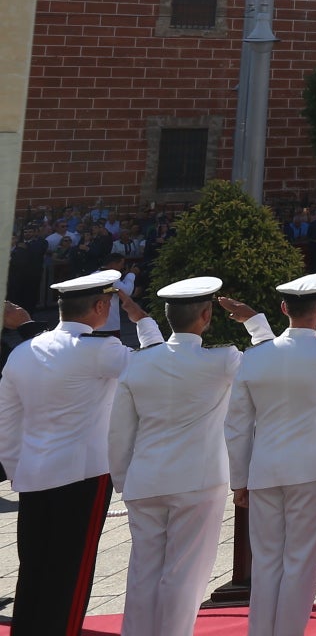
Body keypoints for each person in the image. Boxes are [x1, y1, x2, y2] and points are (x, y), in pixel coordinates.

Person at [0, 269, 163, 634]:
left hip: (33, 476)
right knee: (70, 576)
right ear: (102, 306)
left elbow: (6, 424)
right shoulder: (100, 350)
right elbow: (157, 368)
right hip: (83, 477)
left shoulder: (23, 352)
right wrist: (144, 320)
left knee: (34, 573)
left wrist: (17, 470)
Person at [110, 276, 270, 636]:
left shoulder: (138, 363)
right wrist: (254, 321)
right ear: (206, 314)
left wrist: (122, 479)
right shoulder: (221, 360)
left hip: (145, 479)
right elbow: (268, 362)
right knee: (185, 574)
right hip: (197, 481)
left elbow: (119, 431)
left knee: (142, 572)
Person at [226, 274, 316, 636]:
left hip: (265, 470)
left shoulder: (254, 358)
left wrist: (239, 480)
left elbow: (237, 426)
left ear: (284, 308)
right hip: (313, 470)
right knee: (300, 564)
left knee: (267, 564)